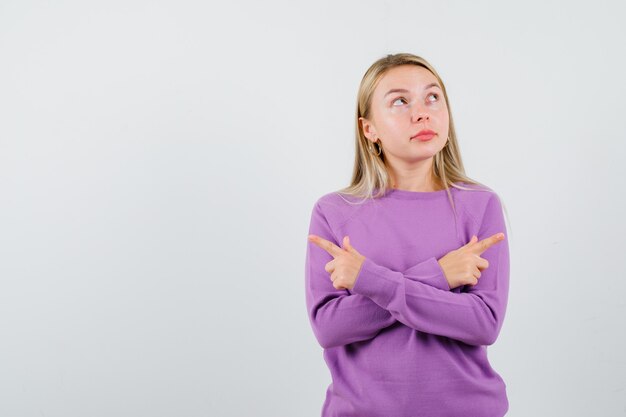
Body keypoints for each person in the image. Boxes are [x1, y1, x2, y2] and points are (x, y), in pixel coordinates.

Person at [304, 53, 511, 417]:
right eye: (400, 101)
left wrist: (368, 279)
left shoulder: (480, 205)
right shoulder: (334, 212)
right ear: (369, 129)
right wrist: (440, 277)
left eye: (432, 97)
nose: (422, 112)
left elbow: (483, 323)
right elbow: (331, 328)